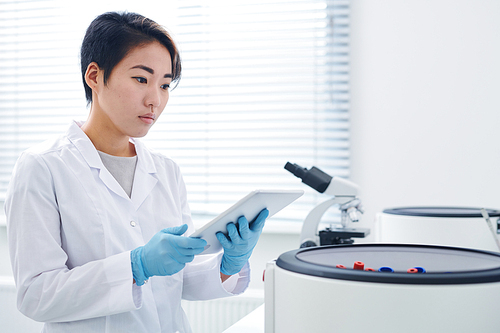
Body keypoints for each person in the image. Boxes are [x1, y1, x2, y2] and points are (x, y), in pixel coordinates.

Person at [5, 11, 268, 333]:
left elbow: (178, 281)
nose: (154, 99)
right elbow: (37, 296)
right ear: (94, 76)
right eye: (141, 79)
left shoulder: (166, 171)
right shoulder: (42, 167)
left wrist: (229, 263)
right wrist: (135, 266)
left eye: (166, 85)